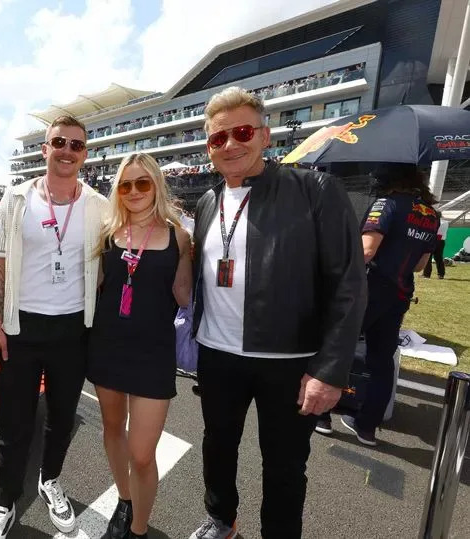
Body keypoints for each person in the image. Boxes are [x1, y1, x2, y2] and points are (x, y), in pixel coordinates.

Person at [188, 87, 366, 539]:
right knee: (217, 448)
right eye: (217, 138)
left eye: (242, 132)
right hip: (217, 355)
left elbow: (348, 283)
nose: (230, 144)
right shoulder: (208, 203)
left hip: (289, 361)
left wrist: (329, 369)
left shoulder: (315, 190)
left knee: (285, 468)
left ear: (265, 136)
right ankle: (221, 521)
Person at [0, 115, 108, 539]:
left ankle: (49, 479)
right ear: (45, 149)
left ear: (85, 153)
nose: (67, 151)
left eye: (76, 145)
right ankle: (4, 500)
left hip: (73, 330)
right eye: (59, 142)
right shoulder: (16, 198)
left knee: (61, 417)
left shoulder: (98, 205)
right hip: (20, 328)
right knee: (14, 423)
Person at [88, 153, 192, 539]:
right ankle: (125, 498)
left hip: (153, 354)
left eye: (143, 183)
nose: (134, 191)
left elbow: (183, 296)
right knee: (113, 429)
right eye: (125, 185)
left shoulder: (179, 235)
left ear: (157, 186)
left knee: (143, 453)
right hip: (107, 347)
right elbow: (93, 287)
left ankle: (138, 529)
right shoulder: (106, 234)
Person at [319, 164, 438, 446]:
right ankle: (367, 426)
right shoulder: (432, 215)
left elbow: (367, 250)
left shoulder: (387, 203)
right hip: (399, 294)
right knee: (381, 360)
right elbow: (420, 265)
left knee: (336, 347)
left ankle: (320, 416)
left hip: (367, 289)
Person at [422, 210, 448, 279]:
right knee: (439, 258)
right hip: (441, 241)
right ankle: (441, 274)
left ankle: (426, 274)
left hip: (433, 240)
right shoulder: (446, 222)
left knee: (428, 258)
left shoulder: (434, 221)